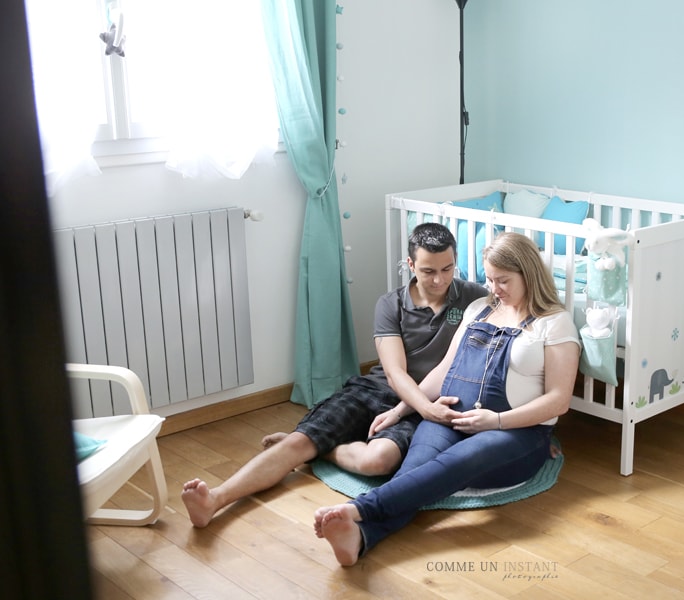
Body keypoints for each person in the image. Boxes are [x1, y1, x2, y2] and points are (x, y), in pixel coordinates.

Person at [182, 223, 488, 527]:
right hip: (377, 390)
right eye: (428, 271)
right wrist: (428, 409)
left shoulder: (474, 297)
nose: (439, 279)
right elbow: (395, 374)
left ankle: (321, 450)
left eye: (447, 269)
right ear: (410, 264)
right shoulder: (390, 305)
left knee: (377, 461)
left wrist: (421, 408)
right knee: (300, 442)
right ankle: (216, 499)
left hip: (418, 404)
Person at [313, 232, 581, 566]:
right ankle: (362, 538)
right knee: (414, 473)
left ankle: (360, 510)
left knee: (450, 466)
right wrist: (400, 410)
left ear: (529, 274)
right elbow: (443, 370)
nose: (494, 289)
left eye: (503, 281)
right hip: (452, 416)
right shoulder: (479, 309)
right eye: (489, 279)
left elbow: (559, 401)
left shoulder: (554, 324)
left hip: (514, 433)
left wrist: (495, 421)